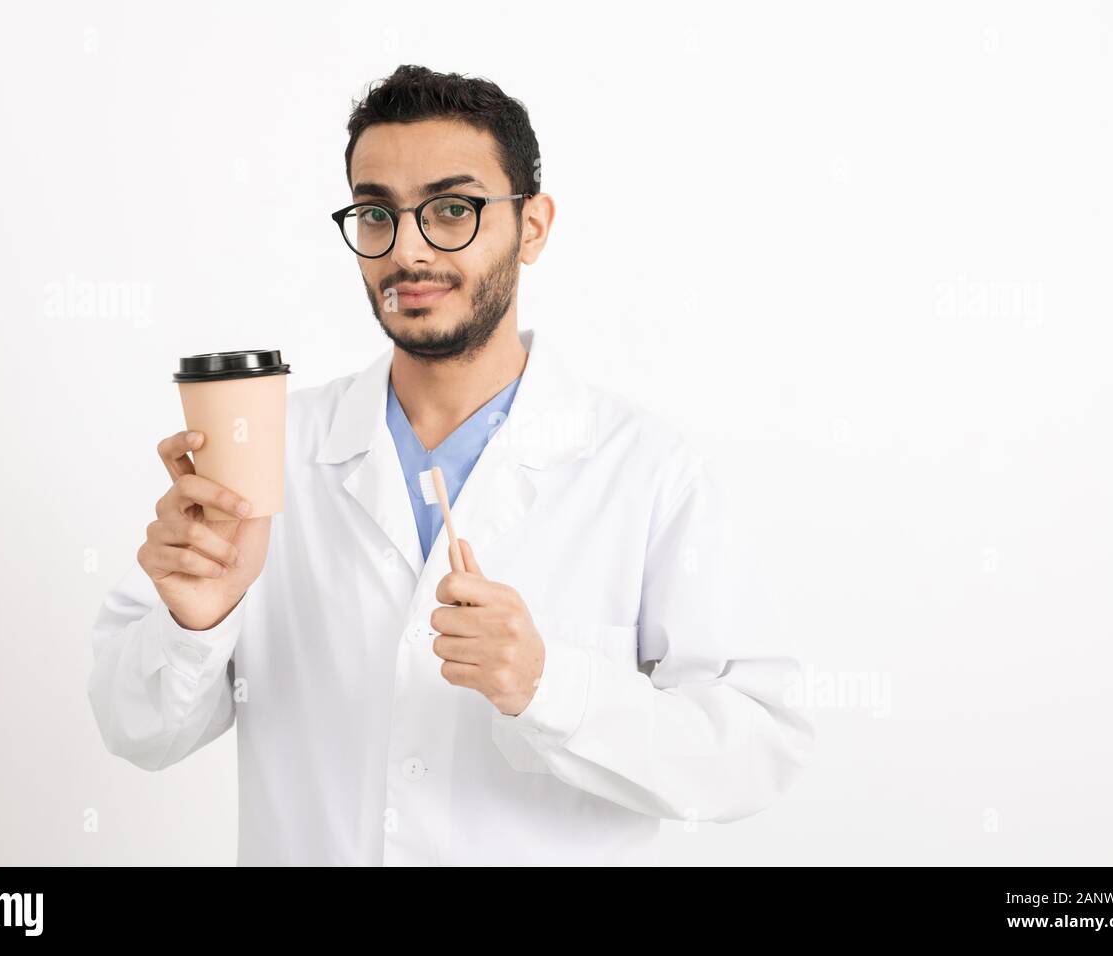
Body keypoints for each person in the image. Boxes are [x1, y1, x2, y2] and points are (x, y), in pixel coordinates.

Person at [87, 64, 814, 865]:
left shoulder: (642, 467)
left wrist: (550, 685)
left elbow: (755, 750)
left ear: (532, 226)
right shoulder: (269, 452)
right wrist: (196, 620)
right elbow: (137, 731)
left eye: (450, 210)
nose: (407, 251)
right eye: (376, 214)